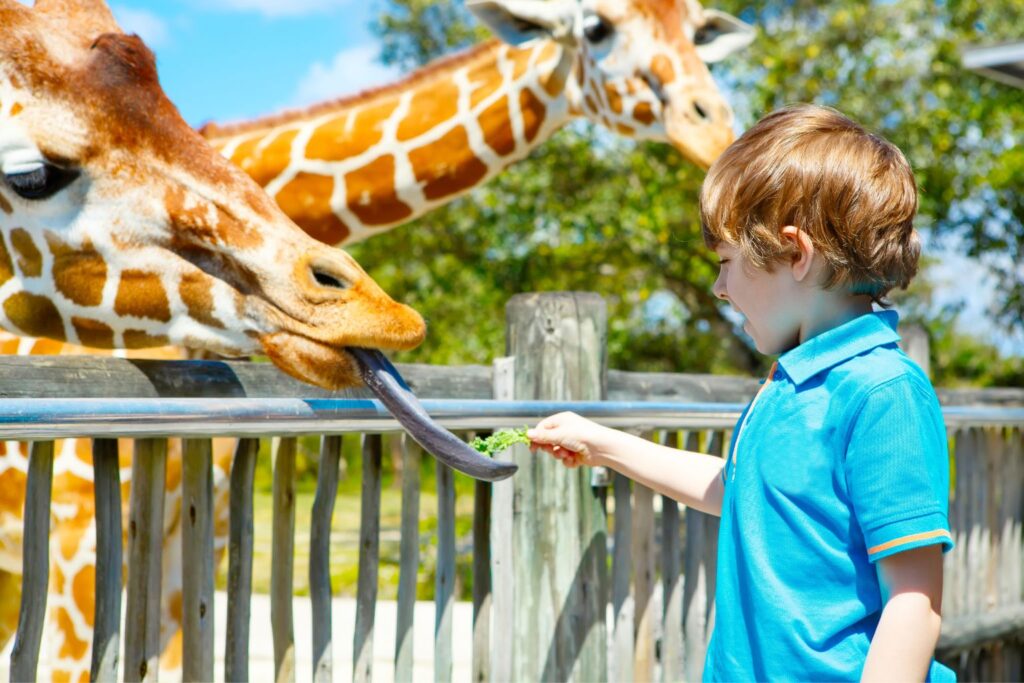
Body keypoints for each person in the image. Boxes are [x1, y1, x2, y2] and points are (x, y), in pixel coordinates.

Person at [528, 104, 955, 682]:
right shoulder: (789, 384)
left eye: (727, 262)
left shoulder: (884, 392)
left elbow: (913, 601)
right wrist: (601, 443)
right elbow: (742, 491)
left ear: (796, 254)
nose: (719, 287)